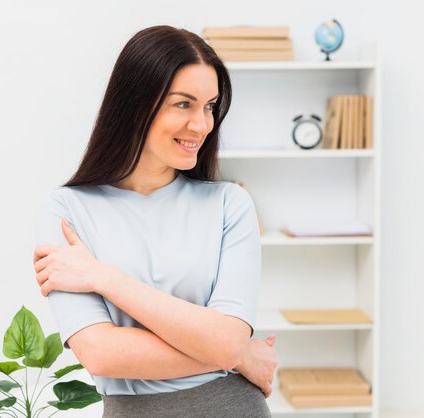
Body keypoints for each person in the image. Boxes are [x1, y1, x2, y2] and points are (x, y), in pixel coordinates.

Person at [33, 25, 277, 418]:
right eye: (184, 104)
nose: (201, 124)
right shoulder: (68, 210)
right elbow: (101, 354)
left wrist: (102, 277)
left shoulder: (230, 204)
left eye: (210, 106)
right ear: (136, 103)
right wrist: (234, 353)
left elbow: (228, 342)